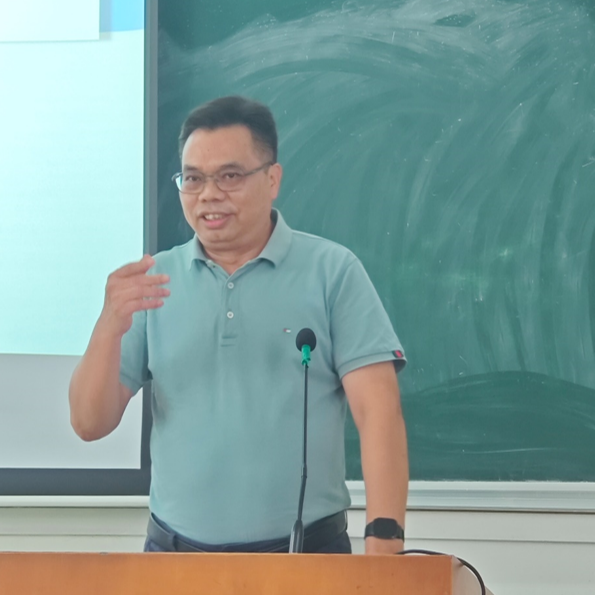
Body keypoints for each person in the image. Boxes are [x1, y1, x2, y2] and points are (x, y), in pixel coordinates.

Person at [69, 96, 408, 554]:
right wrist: (108, 327)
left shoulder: (333, 272)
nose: (209, 194)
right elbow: (89, 423)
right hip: (174, 559)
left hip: (306, 556)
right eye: (193, 179)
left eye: (229, 176)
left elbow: (378, 411)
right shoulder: (153, 281)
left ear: (272, 179)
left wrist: (385, 544)